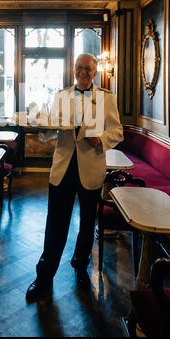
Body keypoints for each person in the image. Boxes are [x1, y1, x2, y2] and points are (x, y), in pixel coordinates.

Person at [26, 53, 123, 301]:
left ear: (95, 72)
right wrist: (42, 127)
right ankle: (44, 275)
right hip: (63, 168)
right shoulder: (61, 95)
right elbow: (51, 133)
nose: (83, 72)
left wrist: (100, 139)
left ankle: (81, 266)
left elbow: (117, 131)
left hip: (91, 167)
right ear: (73, 69)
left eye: (88, 69)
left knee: (88, 222)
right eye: (79, 68)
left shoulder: (106, 98)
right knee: (55, 223)